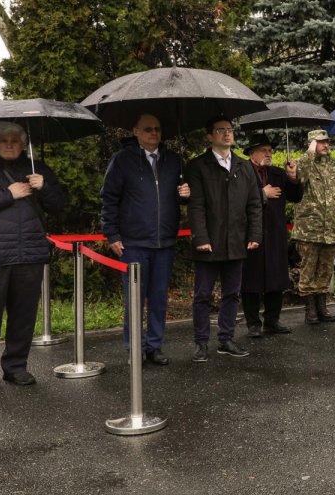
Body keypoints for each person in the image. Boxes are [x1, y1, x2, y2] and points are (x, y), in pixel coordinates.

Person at [0, 121, 67, 391]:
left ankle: (16, 367)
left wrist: (46, 187)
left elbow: (59, 206)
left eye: (14, 140)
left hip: (29, 255)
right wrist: (7, 194)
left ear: (22, 143)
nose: (9, 144)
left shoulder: (37, 170)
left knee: (23, 316)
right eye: (3, 140)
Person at [100, 113, 189, 366]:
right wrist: (112, 234)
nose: (154, 133)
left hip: (165, 242)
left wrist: (185, 194)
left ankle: (154, 346)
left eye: (158, 129)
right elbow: (109, 198)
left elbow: (182, 198)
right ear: (136, 132)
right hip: (133, 243)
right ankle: (135, 348)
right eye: (148, 129)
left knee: (159, 298)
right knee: (135, 299)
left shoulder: (173, 161)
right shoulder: (122, 160)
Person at [185, 117, 263, 362]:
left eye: (229, 130)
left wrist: (254, 235)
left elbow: (254, 204)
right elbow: (195, 206)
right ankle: (201, 343)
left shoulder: (244, 166)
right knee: (203, 295)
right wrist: (200, 237)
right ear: (210, 136)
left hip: (237, 241)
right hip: (209, 243)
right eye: (220, 130)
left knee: (232, 294)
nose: (227, 134)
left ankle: (226, 339)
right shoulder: (198, 166)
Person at [240, 136, 301, 336]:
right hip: (250, 233)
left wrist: (292, 177)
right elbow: (236, 198)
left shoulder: (277, 173)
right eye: (263, 150)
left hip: (275, 232)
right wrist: (261, 193)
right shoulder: (242, 171)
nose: (268, 154)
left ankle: (272, 321)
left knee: (276, 278)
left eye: (270, 150)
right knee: (251, 279)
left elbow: (295, 196)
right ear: (251, 153)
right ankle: (253, 323)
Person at [291, 129, 335, 326]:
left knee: (325, 270)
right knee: (308, 269)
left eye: (326, 142)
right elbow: (298, 178)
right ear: (311, 144)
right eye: (320, 142)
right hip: (310, 229)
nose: (325, 145)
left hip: (332, 230)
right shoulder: (303, 164)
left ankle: (322, 306)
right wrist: (310, 152)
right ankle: (310, 309)